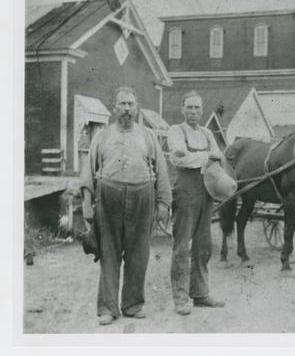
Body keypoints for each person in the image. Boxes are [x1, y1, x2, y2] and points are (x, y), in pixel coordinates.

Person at [81, 87, 171, 325]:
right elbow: (88, 170)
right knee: (109, 253)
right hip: (108, 198)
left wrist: (163, 202)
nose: (127, 109)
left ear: (137, 107)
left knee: (139, 254)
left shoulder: (148, 136)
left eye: (131, 104)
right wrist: (87, 203)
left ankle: (132, 305)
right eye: (122, 104)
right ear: (114, 108)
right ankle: (108, 308)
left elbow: (161, 170)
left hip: (142, 198)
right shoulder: (102, 136)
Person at [167, 90, 226, 316]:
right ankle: (181, 298)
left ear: (202, 111)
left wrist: (206, 157)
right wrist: (207, 157)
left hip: (206, 193)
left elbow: (219, 156)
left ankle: (200, 293)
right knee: (182, 247)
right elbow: (180, 159)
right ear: (183, 109)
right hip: (185, 193)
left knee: (203, 245)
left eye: (197, 108)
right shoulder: (175, 131)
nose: (193, 112)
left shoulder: (207, 133)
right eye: (189, 107)